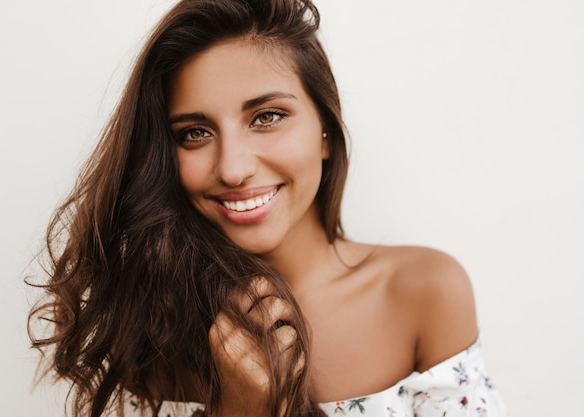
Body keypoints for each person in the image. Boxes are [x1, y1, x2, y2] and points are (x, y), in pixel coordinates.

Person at [28, 0, 507, 416]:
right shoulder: (151, 321)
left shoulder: (423, 292)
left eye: (267, 117)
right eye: (194, 132)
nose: (233, 168)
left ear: (324, 129)